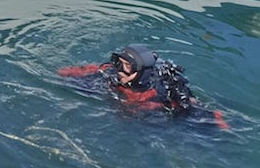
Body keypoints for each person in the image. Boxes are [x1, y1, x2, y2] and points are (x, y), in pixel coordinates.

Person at [58, 44, 229, 128]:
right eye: (118, 62)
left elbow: (196, 109)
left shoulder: (159, 93)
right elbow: (64, 72)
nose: (119, 70)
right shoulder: (109, 72)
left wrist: (219, 121)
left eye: (127, 66)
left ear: (140, 72)